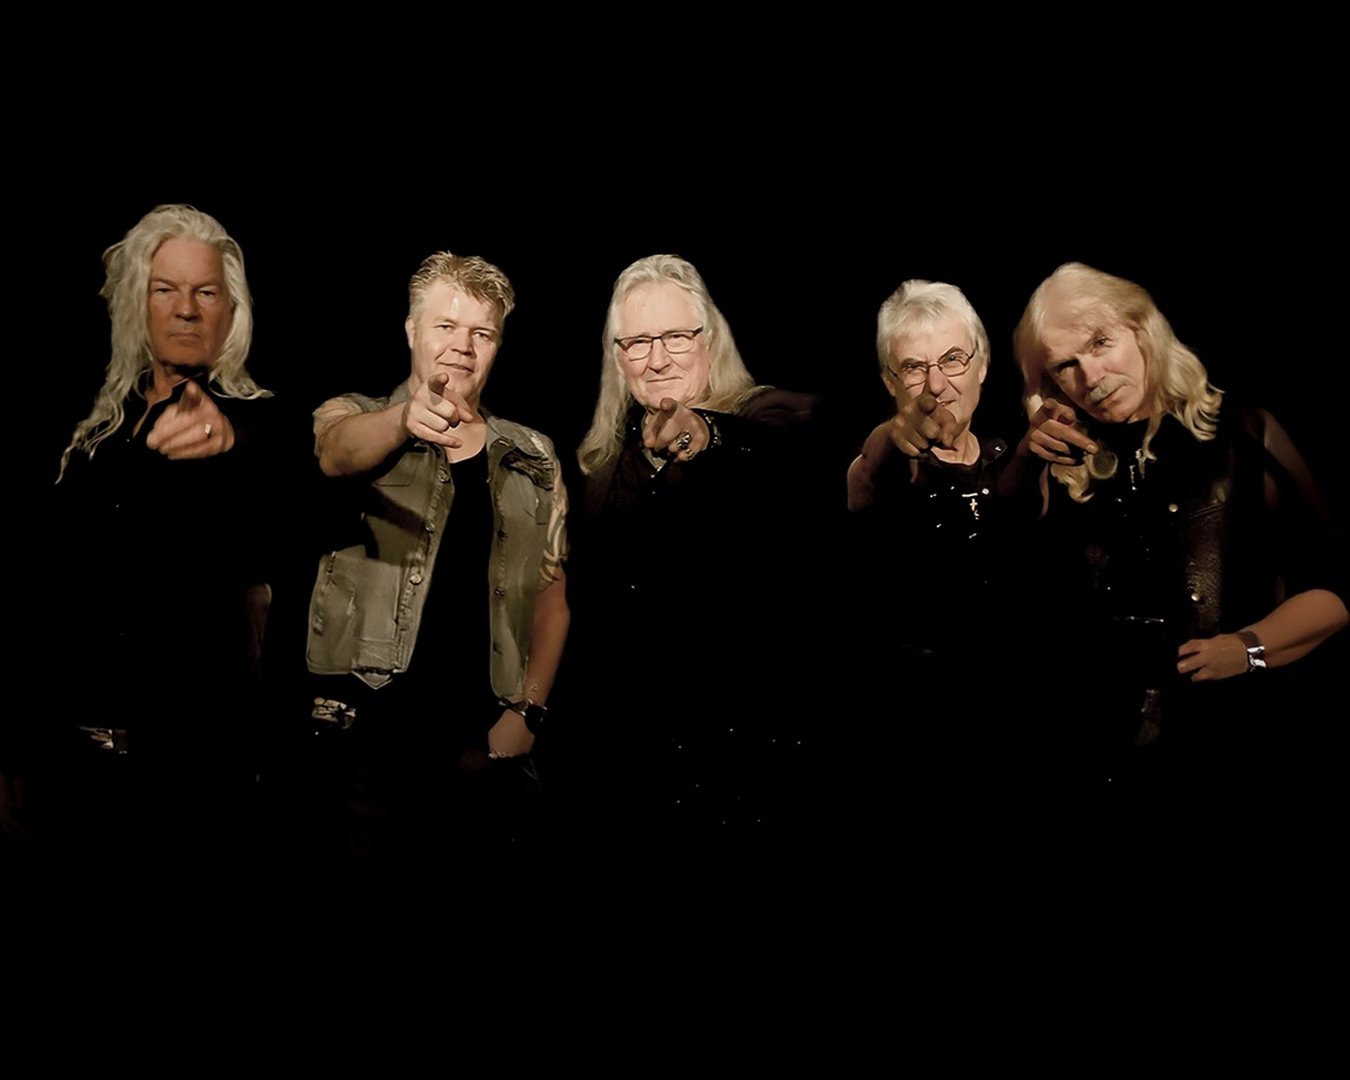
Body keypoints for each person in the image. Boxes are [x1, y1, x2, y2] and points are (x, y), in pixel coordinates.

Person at [1012, 263, 1348, 782]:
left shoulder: (1243, 433)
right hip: (1100, 756)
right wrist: (1024, 466)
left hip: (1237, 742)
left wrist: (1250, 648)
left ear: (1141, 329)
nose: (1091, 377)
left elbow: (1339, 588)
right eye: (1065, 365)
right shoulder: (1054, 470)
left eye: (1101, 342)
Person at [20, 204, 275, 859]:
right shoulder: (92, 432)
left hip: (189, 779)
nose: (186, 309)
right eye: (166, 289)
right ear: (140, 302)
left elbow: (289, 491)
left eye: (205, 292)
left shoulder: (261, 429)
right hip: (70, 766)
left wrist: (230, 437)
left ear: (231, 312)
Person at [302, 251, 569, 859]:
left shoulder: (532, 455)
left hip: (480, 752)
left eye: (482, 333)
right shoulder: (353, 415)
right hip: (362, 744)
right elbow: (335, 453)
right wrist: (405, 419)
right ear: (411, 330)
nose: (462, 347)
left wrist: (526, 713)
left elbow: (552, 596)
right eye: (446, 326)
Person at [567, 254, 827, 839]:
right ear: (618, 359)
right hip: (637, 771)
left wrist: (705, 434)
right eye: (638, 343)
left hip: (751, 767)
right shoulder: (603, 467)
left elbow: (788, 451)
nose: (657, 359)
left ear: (710, 340)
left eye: (675, 337)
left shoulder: (773, 417)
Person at [845, 280, 1014, 774]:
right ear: (890, 382)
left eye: (953, 359)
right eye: (915, 368)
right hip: (911, 739)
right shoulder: (884, 469)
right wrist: (892, 436)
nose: (936, 385)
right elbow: (869, 469)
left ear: (982, 364)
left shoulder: (1011, 463)